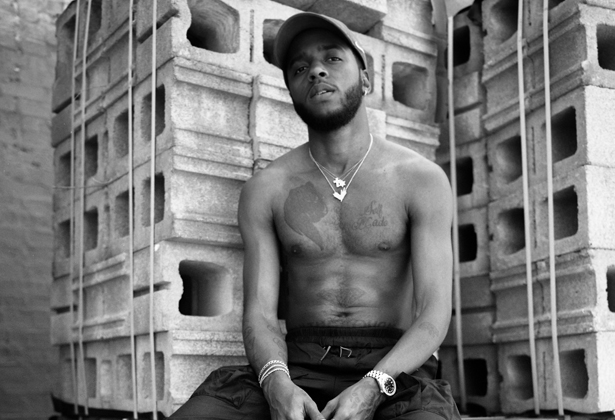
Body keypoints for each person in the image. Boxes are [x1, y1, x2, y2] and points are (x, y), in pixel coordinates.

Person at [170, 12, 459, 420]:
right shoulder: (266, 189)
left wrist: (374, 386)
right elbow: (260, 314)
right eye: (299, 68)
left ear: (365, 79)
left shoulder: (421, 180)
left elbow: (433, 314)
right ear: (291, 91)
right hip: (297, 363)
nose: (316, 71)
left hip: (394, 369)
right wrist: (276, 382)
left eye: (332, 58)